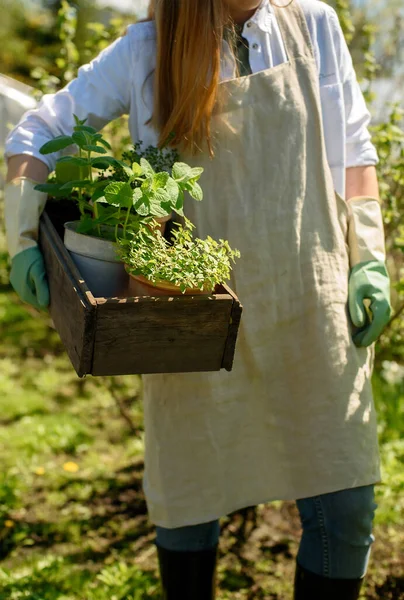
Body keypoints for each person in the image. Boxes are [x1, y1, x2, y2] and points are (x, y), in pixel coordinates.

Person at [4, 0, 392, 598]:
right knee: (190, 500)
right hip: (191, 319)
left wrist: (369, 261)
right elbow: (39, 128)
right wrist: (22, 236)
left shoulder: (313, 25)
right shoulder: (146, 50)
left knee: (345, 508)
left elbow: (354, 152)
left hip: (309, 305)